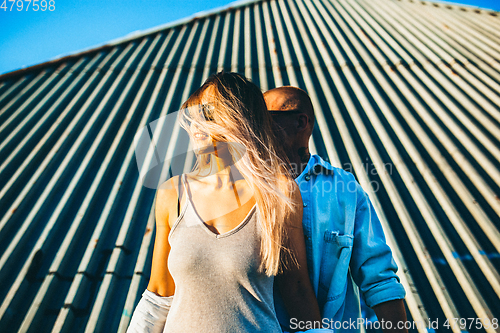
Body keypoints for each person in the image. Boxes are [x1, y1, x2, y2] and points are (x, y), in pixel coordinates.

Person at [127, 73, 321, 332]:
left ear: (240, 119)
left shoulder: (279, 193)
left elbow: (296, 290)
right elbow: (159, 294)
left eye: (208, 114)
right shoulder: (173, 194)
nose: (196, 124)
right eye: (194, 114)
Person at [264, 86, 408, 333]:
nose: (256, 128)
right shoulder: (243, 191)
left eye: (267, 119)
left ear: (300, 122)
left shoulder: (345, 190)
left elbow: (379, 276)